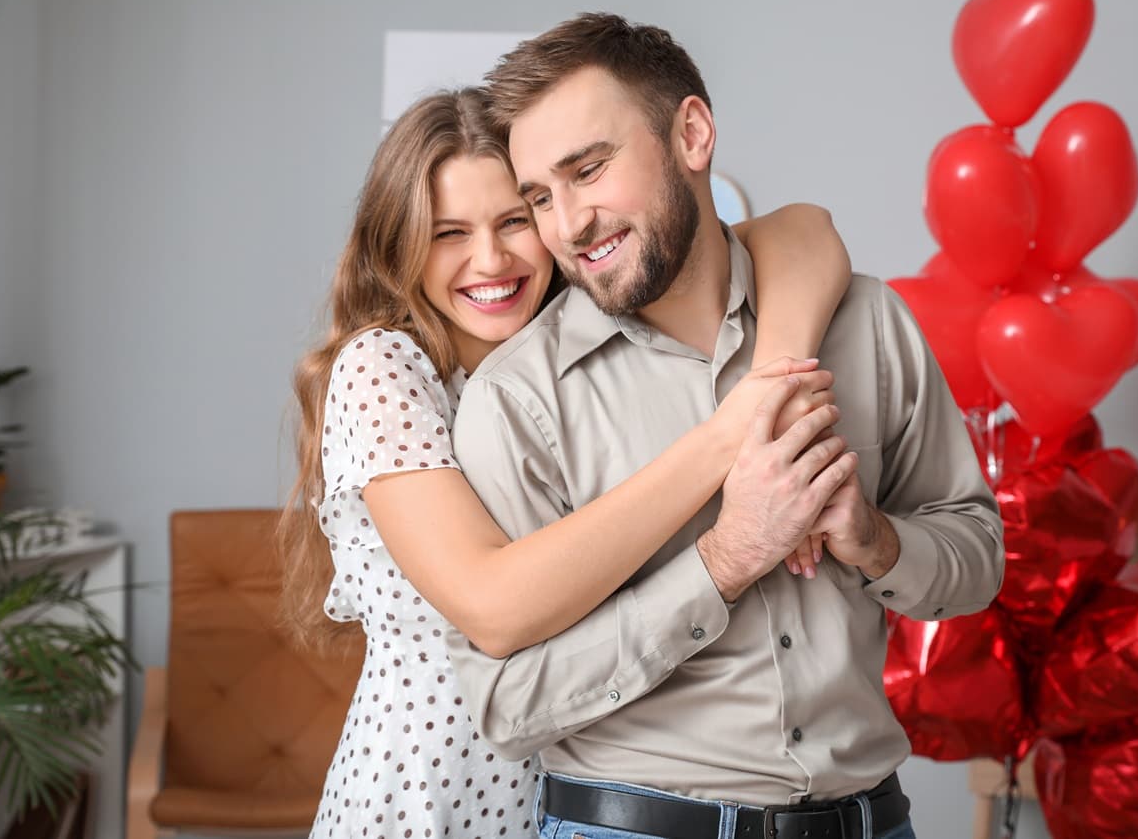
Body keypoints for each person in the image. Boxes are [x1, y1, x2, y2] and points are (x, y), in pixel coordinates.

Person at [445, 14, 1006, 839]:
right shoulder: (518, 402)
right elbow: (507, 706)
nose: (568, 224)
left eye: (590, 170)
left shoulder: (869, 326)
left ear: (693, 134)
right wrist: (724, 562)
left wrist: (876, 540)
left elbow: (979, 556)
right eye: (540, 196)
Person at [279, 86, 854, 839]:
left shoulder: (571, 352)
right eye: (449, 232)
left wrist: (773, 390)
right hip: (428, 803)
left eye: (515, 220)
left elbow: (802, 231)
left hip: (572, 801)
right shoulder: (385, 365)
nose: (489, 259)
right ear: (402, 244)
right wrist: (734, 433)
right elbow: (493, 607)